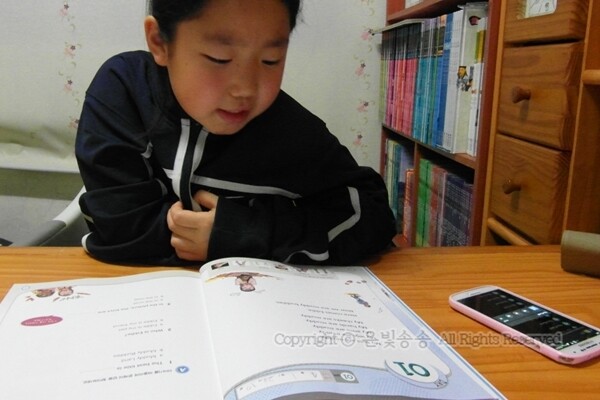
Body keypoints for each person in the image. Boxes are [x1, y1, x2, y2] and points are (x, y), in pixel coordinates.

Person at [75, 0, 396, 266]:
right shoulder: (123, 91)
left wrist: (241, 233)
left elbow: (373, 215)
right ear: (160, 41)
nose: (245, 89)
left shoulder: (286, 127)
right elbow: (119, 228)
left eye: (270, 60)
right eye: (219, 59)